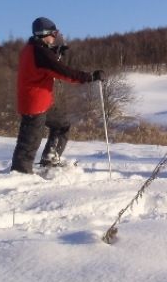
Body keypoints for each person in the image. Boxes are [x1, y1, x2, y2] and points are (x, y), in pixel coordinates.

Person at [11, 17, 105, 174]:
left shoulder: (32, 49)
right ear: (45, 33)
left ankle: (50, 158)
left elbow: (44, 66)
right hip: (34, 105)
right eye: (54, 33)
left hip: (41, 102)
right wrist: (90, 76)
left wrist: (54, 54)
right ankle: (20, 173)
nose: (55, 37)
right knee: (28, 143)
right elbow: (64, 72)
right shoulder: (40, 53)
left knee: (62, 125)